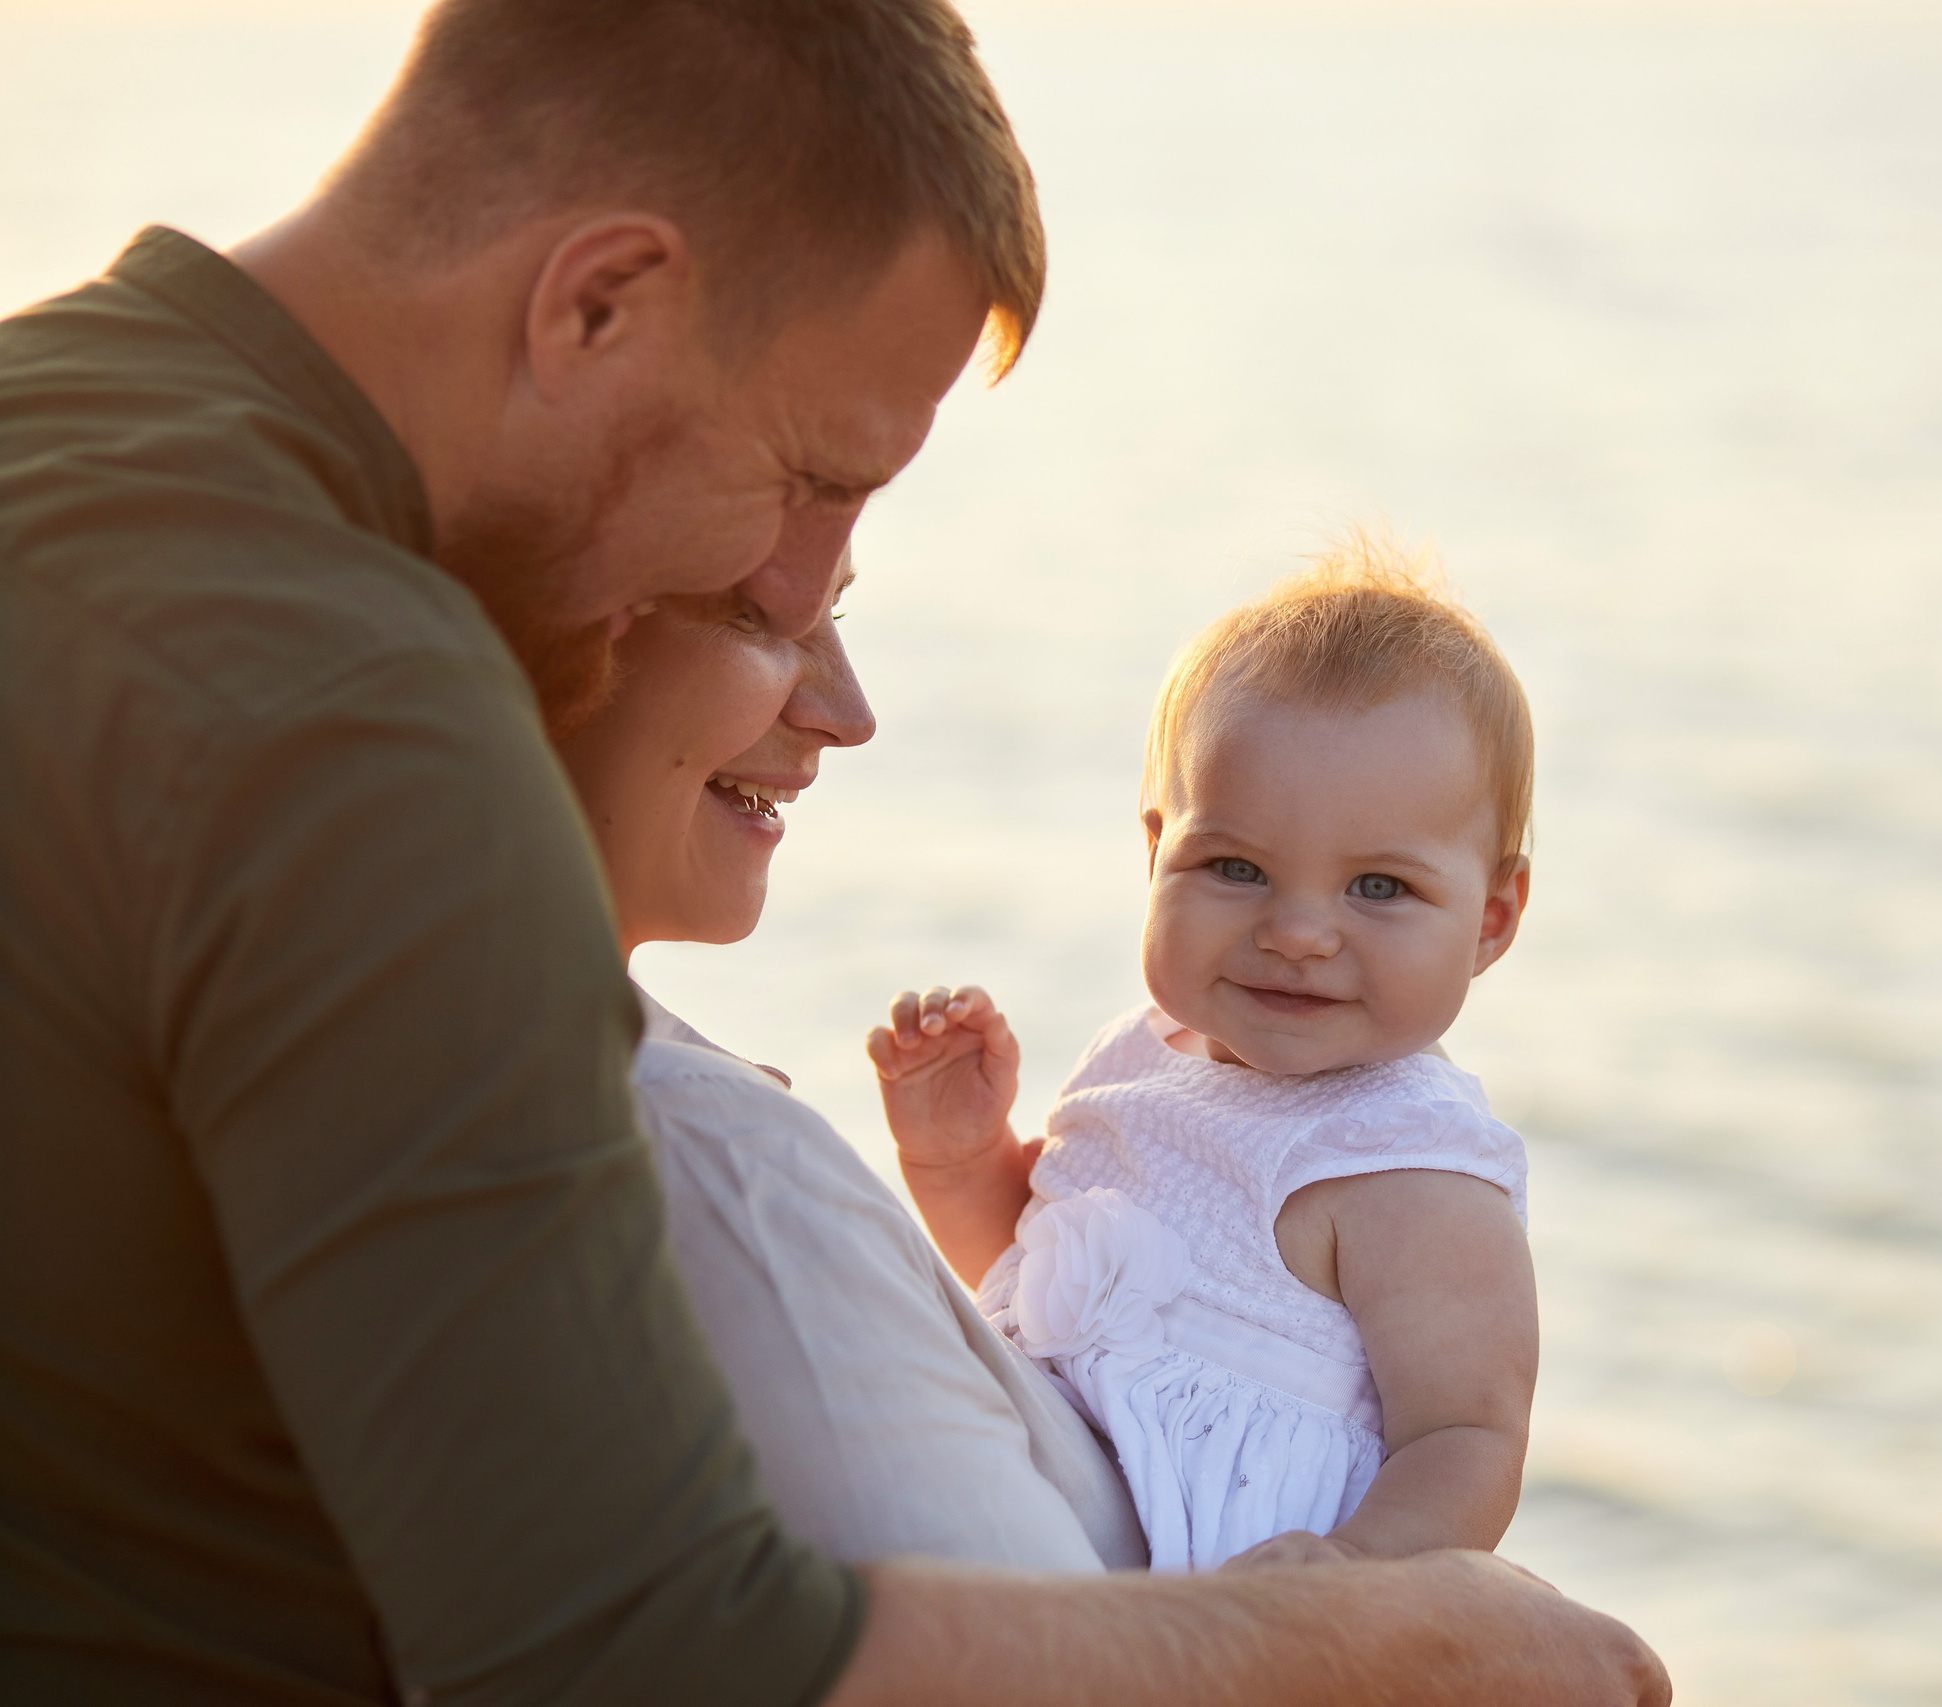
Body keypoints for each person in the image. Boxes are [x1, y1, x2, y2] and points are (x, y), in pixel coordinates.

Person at [0, 1, 1671, 1703]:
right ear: (599, 302)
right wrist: (1362, 1642)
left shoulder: (53, 422)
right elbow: (622, 1649)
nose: (809, 600)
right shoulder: (363, 722)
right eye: (812, 478)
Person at [872, 544, 1541, 1575]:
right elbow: (1039, 1288)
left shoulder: (1408, 1168)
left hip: (1227, 1611)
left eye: (1379, 888)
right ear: (1154, 854)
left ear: (1492, 920)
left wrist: (1347, 1577)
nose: (1300, 932)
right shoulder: (1133, 1058)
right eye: (1236, 868)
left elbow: (1466, 1438)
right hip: (1022, 1546)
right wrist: (959, 1159)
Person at [553, 551, 1149, 1574]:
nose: (848, 709)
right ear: (531, 640)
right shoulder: (704, 1161)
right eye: (758, 615)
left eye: (834, 611)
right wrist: (1462, 1630)